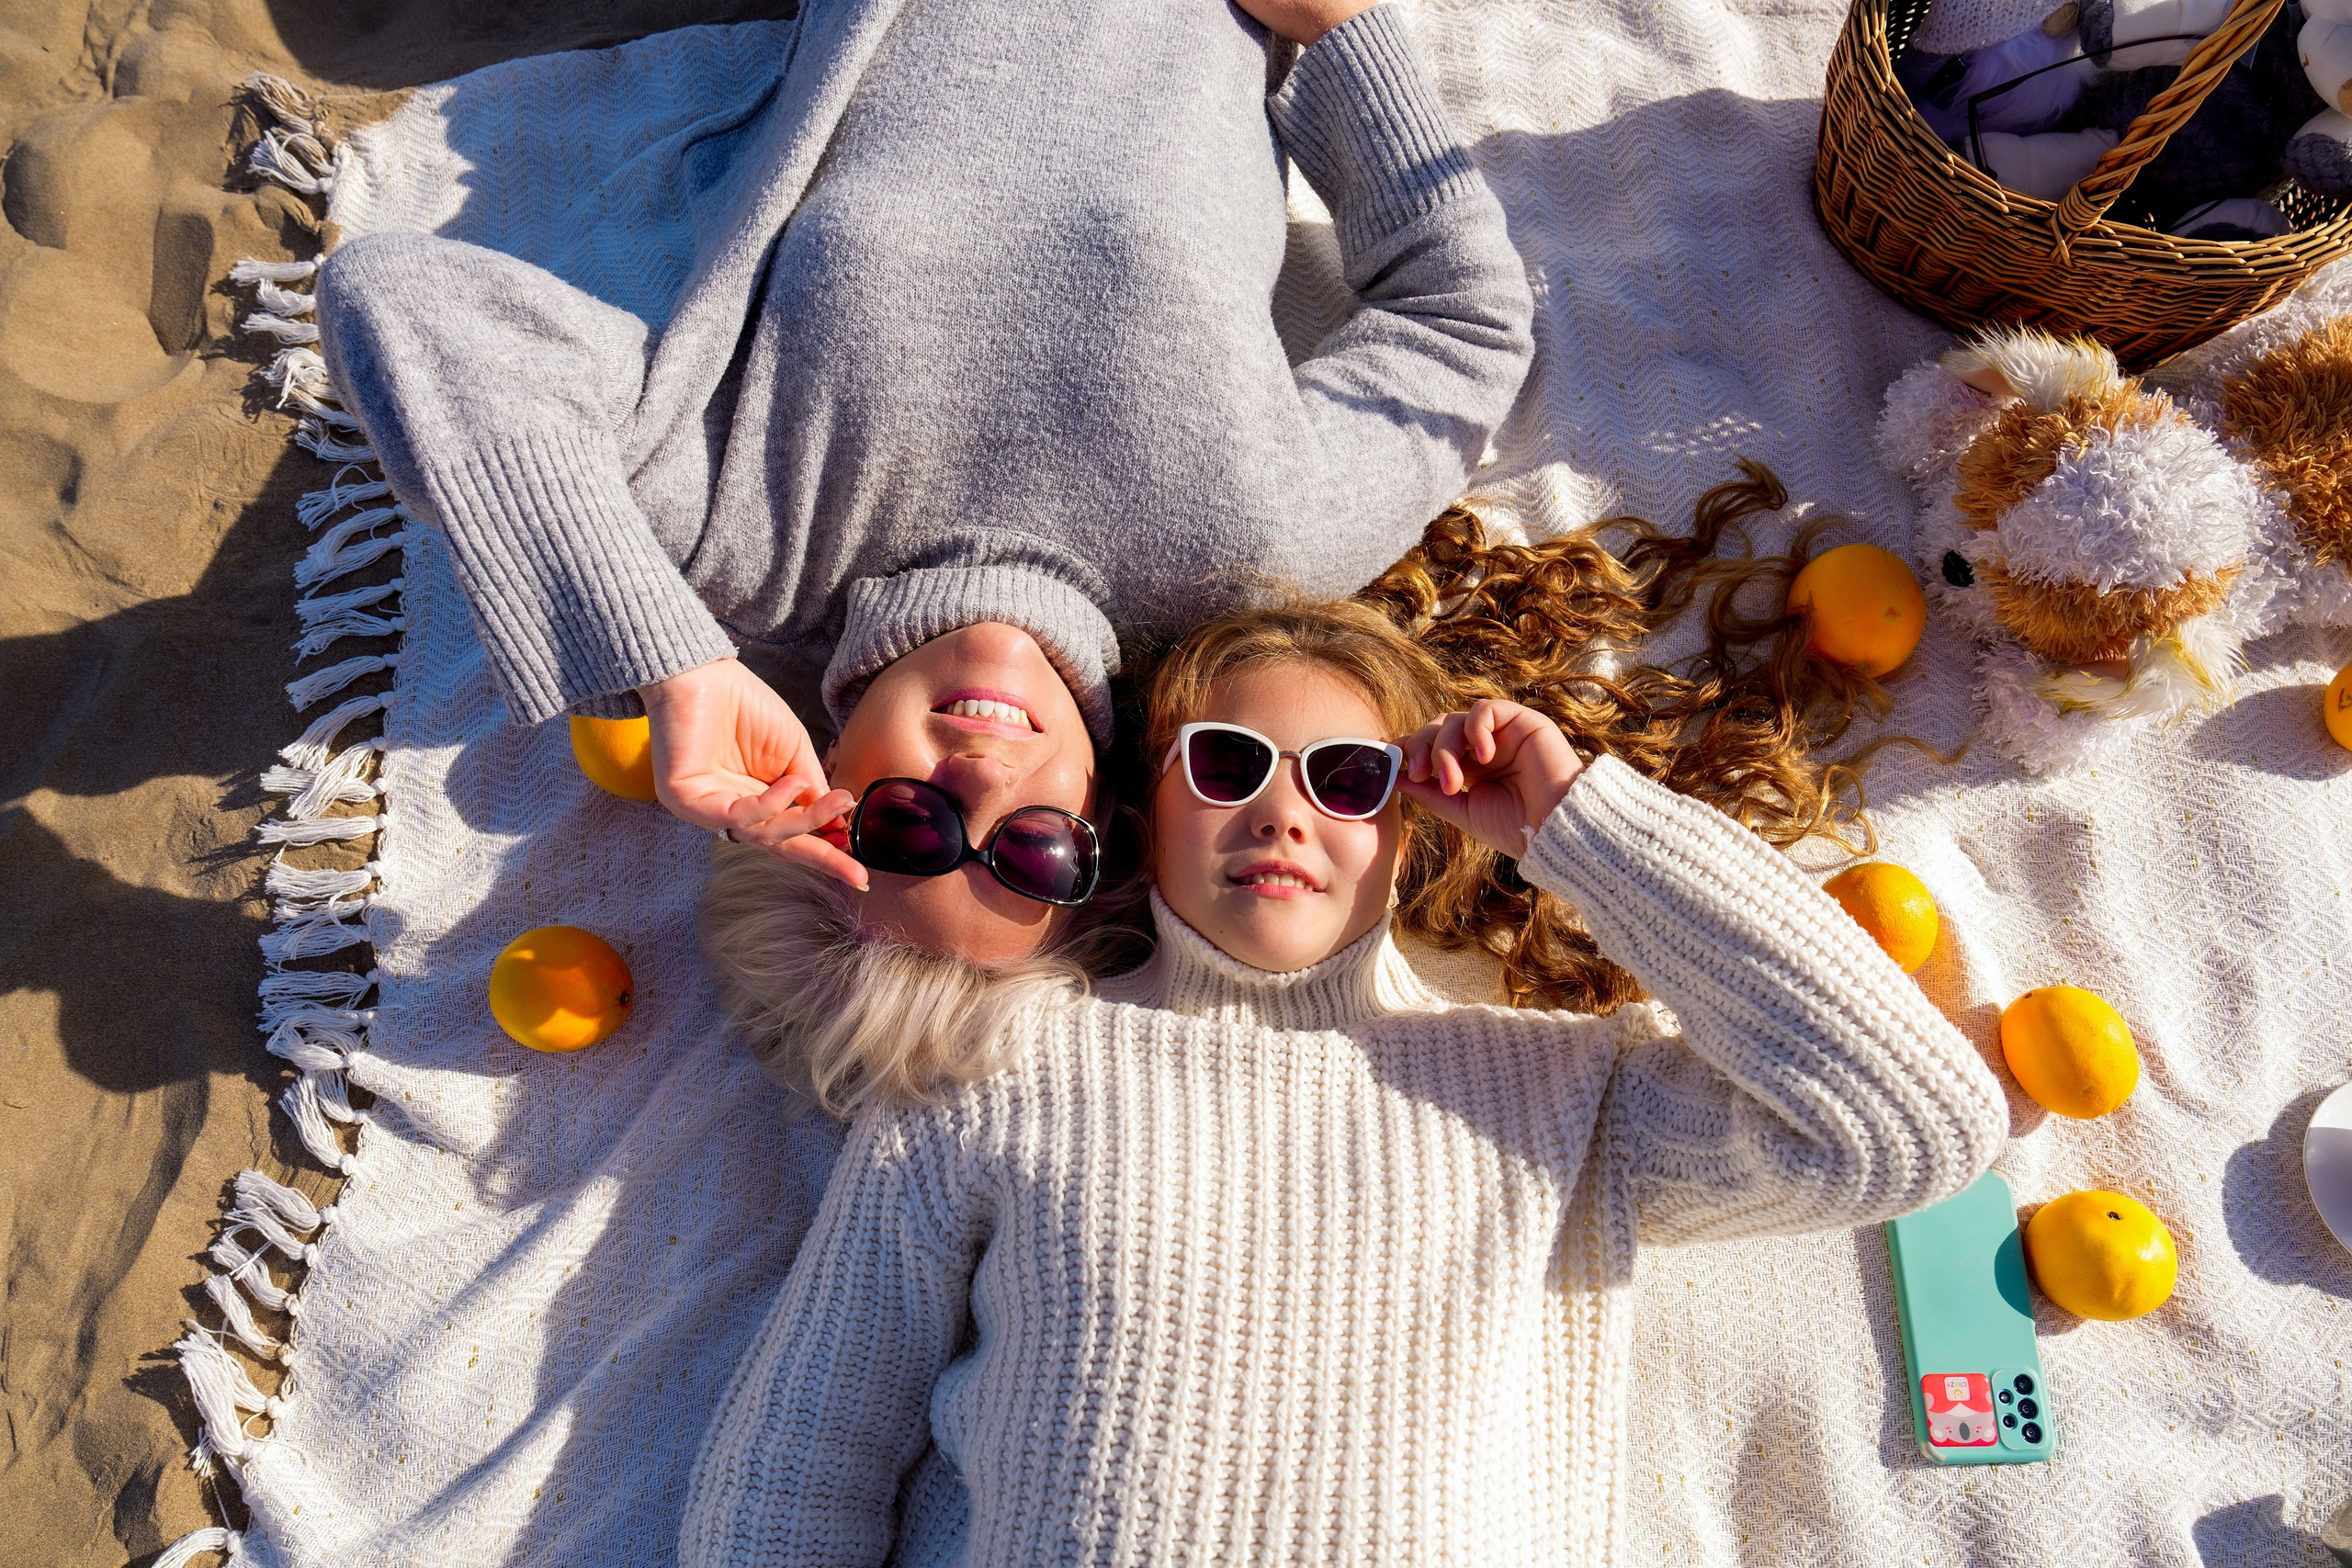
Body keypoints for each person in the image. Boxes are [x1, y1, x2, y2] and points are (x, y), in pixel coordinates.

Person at [681, 585, 2007, 1565]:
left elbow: (1912, 1130)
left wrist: (1578, 827)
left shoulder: (1560, 1095)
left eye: (1350, 779)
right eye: (1228, 762)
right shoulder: (1010, 1057)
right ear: (1147, 820)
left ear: (1412, 837)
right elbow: (806, 1447)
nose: (1283, 810)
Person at [312, 0, 1535, 963]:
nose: (980, 784)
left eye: (906, 830)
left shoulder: (738, 543)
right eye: (1031, 855)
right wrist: (1345, 39)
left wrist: (667, 656)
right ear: (1103, 834)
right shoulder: (1247, 553)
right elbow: (1466, 329)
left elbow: (403, 298)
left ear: (815, 796)